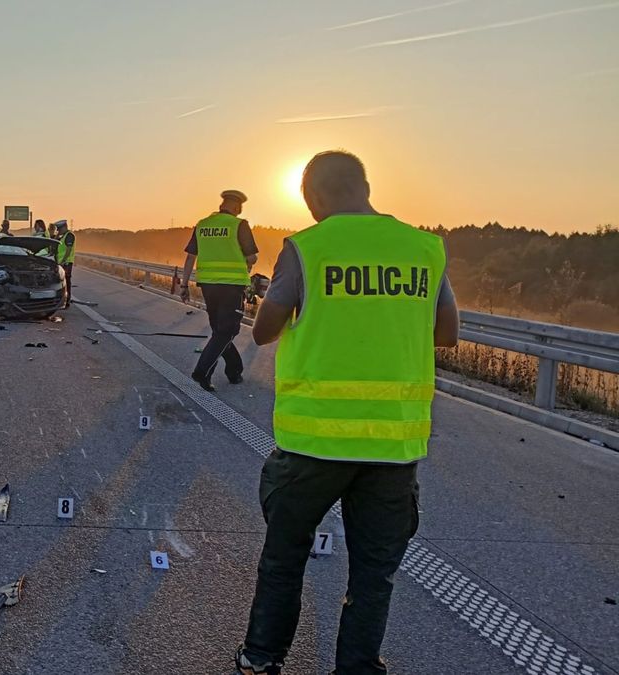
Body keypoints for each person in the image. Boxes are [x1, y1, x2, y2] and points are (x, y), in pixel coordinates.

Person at [234, 151, 459, 675]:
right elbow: (446, 333)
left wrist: (273, 300)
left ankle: (262, 660)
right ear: (365, 185)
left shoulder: (306, 249)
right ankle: (357, 667)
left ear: (314, 196)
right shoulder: (426, 249)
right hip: (393, 448)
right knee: (373, 576)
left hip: (313, 444)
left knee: (285, 558)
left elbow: (265, 330)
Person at [179, 189, 258, 389]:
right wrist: (247, 263)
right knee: (227, 331)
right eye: (240, 206)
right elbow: (251, 257)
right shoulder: (239, 225)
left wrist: (184, 284)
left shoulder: (202, 225)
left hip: (208, 285)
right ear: (236, 206)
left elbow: (190, 257)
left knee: (220, 331)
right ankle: (202, 372)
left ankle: (234, 371)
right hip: (231, 286)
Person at [53, 219, 76, 308]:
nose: (58, 231)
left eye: (59, 229)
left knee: (66, 282)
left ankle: (67, 301)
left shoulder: (69, 236)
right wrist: (57, 235)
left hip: (66, 263)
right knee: (60, 282)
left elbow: (68, 250)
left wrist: (63, 261)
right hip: (60, 263)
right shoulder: (62, 236)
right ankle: (62, 300)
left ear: (65, 227)